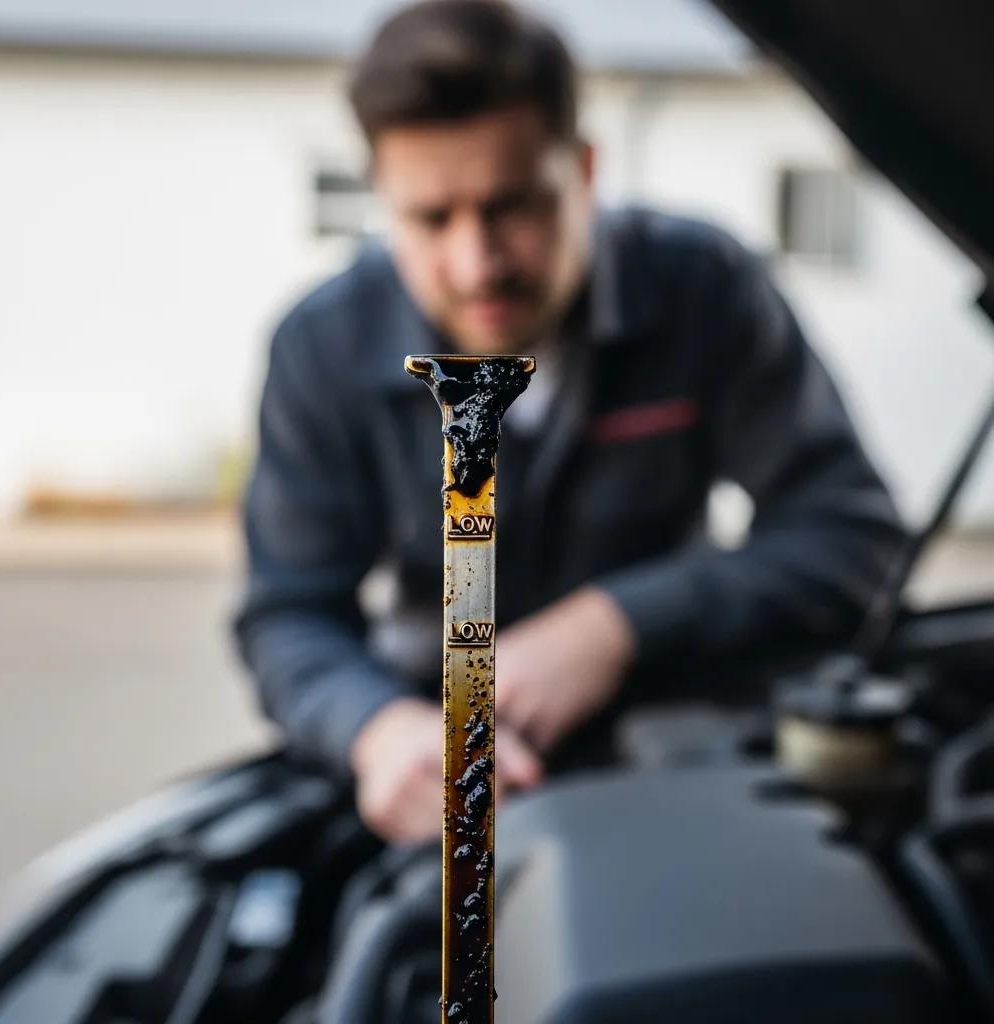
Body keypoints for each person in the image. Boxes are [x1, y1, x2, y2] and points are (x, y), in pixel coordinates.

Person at [235, 0, 903, 845]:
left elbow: (851, 537)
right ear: (383, 199)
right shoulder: (321, 347)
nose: (478, 263)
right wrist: (376, 732)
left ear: (584, 170)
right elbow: (289, 613)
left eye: (512, 206)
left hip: (681, 748)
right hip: (433, 771)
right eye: (432, 219)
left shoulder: (703, 290)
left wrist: (618, 625)